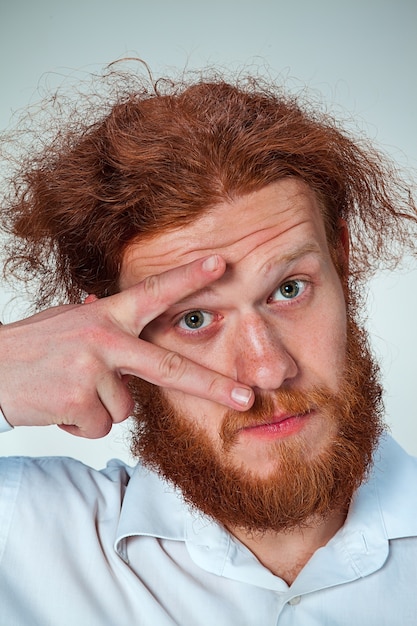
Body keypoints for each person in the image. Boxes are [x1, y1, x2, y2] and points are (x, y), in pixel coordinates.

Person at [0, 67, 416, 625]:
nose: (269, 370)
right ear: (110, 334)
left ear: (341, 259)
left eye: (288, 290)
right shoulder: (25, 534)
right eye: (195, 318)